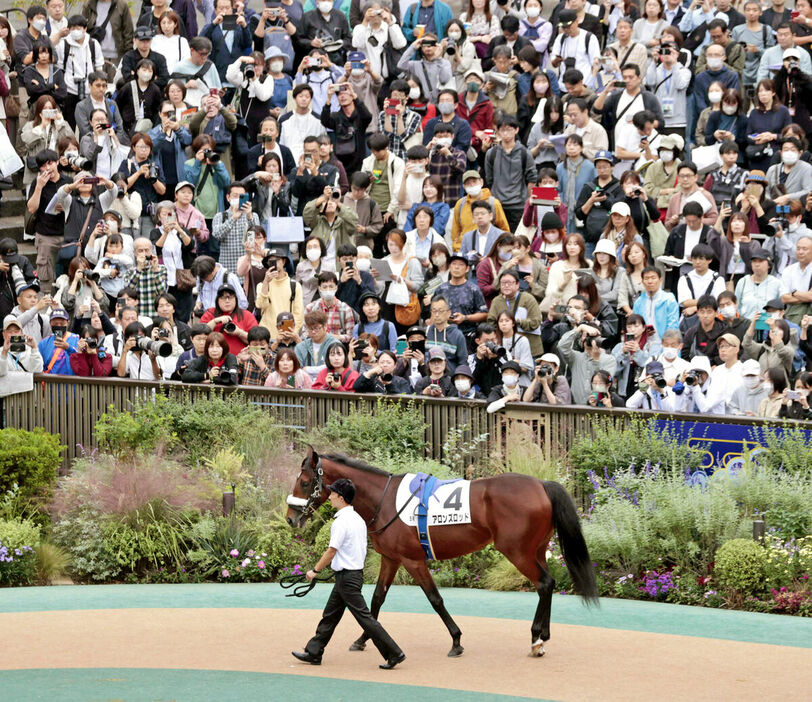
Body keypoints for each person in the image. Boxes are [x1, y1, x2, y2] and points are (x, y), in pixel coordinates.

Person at [292, 476, 405, 669]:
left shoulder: (341, 522)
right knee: (330, 614)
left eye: (333, 494)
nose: (330, 497)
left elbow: (331, 550)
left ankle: (394, 653)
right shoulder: (358, 519)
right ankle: (314, 651)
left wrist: (315, 570)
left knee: (365, 619)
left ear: (341, 497)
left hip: (347, 578)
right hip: (350, 575)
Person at [484, 114, 537, 232]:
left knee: (516, 241)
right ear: (497, 132)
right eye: (502, 130)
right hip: (497, 204)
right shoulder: (491, 153)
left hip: (518, 205)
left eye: (509, 129)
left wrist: (527, 200)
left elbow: (532, 178)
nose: (506, 133)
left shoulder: (524, 153)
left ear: (516, 130)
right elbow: (489, 179)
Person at [487, 268, 543, 357]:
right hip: (506, 349)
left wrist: (517, 321)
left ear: (517, 284)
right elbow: (491, 323)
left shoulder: (528, 299)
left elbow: (535, 322)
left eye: (510, 283)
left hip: (529, 348)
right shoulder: (496, 301)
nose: (506, 285)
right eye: (503, 283)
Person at [169, 36, 222, 108]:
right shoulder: (179, 67)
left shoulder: (210, 66)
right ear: (192, 50)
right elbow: (170, 92)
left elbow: (217, 88)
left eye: (207, 54)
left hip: (206, 106)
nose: (204, 58)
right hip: (185, 107)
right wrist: (186, 86)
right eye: (201, 54)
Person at [633, 265, 680, 338]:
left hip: (665, 342)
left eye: (653, 278)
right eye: (646, 278)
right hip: (644, 343)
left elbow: (673, 325)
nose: (650, 281)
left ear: (660, 280)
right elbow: (635, 325)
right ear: (642, 281)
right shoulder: (639, 302)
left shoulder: (669, 299)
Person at [22, 42, 67, 112]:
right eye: (40, 53)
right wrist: (52, 87)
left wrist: (39, 86)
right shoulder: (29, 71)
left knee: (54, 122)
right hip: (36, 108)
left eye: (46, 53)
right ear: (36, 54)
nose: (44, 56)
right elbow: (30, 91)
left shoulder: (57, 71)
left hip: (54, 107)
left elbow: (63, 94)